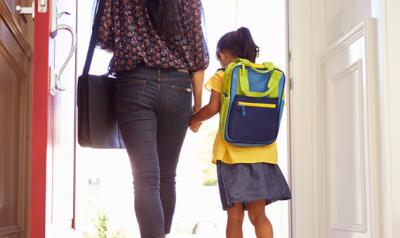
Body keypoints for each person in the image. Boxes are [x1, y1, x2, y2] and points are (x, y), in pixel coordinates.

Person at [96, 0, 209, 237]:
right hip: (178, 88)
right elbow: (199, 58)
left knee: (146, 179)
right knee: (167, 175)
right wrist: (198, 109)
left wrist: (133, 41)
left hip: (135, 83)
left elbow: (103, 37)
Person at [189, 27, 291, 238]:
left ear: (224, 55)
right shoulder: (266, 76)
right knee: (259, 215)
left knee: (235, 217)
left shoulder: (223, 74)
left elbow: (212, 109)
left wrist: (193, 120)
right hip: (263, 154)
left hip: (231, 155)